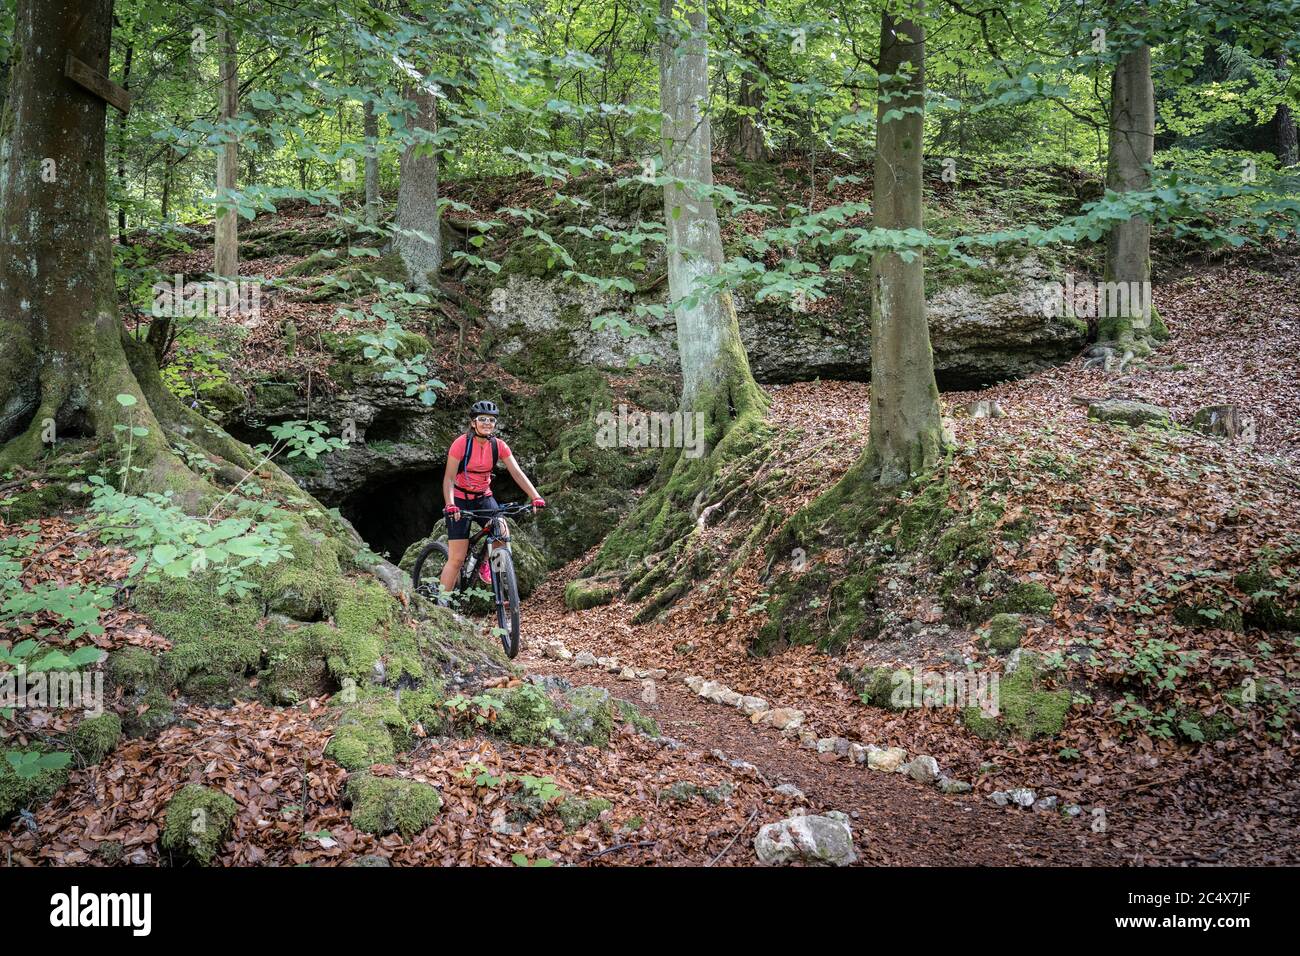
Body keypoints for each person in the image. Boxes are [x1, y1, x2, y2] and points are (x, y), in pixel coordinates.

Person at [438, 400, 545, 604]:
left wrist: (535, 496)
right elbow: (449, 478)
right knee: (457, 558)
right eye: (483, 419)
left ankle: (493, 575)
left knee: (501, 532)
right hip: (460, 499)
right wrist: (451, 504)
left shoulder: (498, 446)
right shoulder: (461, 444)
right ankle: (440, 604)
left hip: (483, 497)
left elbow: (517, 473)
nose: (487, 423)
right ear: (473, 423)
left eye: (491, 420)